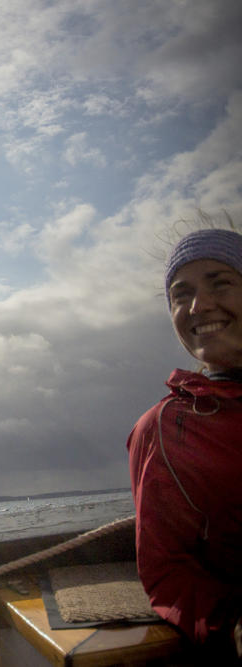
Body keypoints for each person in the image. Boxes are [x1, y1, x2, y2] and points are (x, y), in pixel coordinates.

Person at [127, 226, 242, 663]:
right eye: (181, 294)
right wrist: (230, 624)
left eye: (221, 282)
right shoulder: (167, 429)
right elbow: (167, 571)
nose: (199, 306)